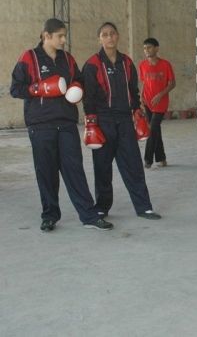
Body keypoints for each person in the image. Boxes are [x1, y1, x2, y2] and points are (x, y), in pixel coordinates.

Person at [10, 18, 113, 231]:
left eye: (64, 35)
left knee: (75, 169)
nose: (64, 40)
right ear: (46, 36)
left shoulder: (67, 58)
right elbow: (15, 88)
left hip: (66, 123)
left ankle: (89, 216)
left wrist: (76, 86)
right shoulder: (29, 58)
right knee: (46, 172)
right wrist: (37, 89)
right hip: (40, 124)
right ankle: (49, 216)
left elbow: (80, 79)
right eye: (60, 36)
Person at [82, 22, 161, 220]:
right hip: (103, 120)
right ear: (99, 38)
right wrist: (91, 122)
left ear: (118, 36)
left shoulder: (126, 62)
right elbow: (88, 96)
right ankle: (102, 207)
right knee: (102, 167)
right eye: (104, 34)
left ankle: (144, 207)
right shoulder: (92, 64)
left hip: (125, 120)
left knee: (133, 164)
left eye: (112, 34)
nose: (109, 38)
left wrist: (137, 112)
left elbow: (133, 91)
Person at [139, 37, 176, 169]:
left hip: (160, 103)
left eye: (149, 47)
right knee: (156, 130)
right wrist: (141, 97)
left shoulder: (165, 65)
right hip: (147, 102)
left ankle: (147, 160)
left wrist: (160, 95)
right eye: (144, 48)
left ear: (156, 48)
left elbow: (172, 84)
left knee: (152, 129)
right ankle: (161, 158)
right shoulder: (142, 65)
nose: (146, 50)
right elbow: (144, 82)